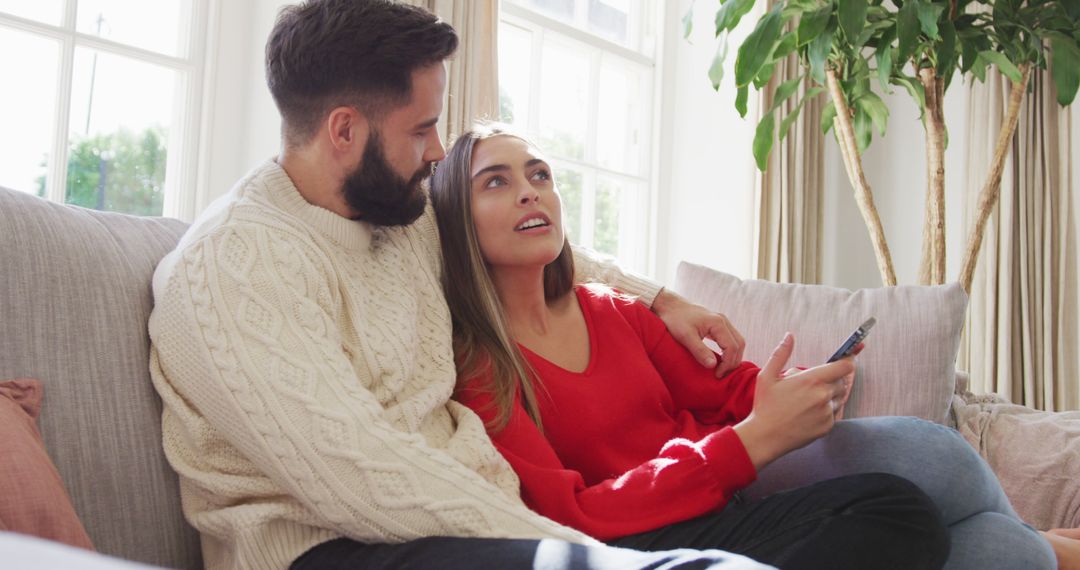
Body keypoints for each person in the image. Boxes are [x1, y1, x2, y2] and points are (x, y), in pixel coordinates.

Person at [147, 1, 777, 569]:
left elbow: (529, 243)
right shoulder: (237, 264)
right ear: (344, 131)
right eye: (420, 129)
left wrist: (661, 299)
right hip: (335, 547)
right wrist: (582, 551)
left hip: (471, 527)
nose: (437, 152)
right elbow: (359, 475)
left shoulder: (396, 215)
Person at [429, 124, 1064, 570]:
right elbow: (571, 514)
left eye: (539, 173)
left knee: (991, 541)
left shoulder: (616, 310)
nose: (530, 190)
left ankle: (1048, 551)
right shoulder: (481, 367)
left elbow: (727, 394)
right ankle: (1058, 550)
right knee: (904, 511)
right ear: (459, 217)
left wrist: (795, 391)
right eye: (496, 182)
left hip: (730, 499)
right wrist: (755, 440)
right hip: (647, 542)